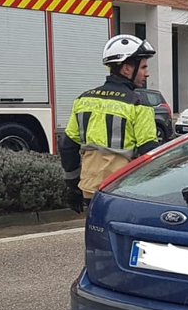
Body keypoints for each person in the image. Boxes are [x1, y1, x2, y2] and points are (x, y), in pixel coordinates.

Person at [60, 35, 161, 212]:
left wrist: (72, 185)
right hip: (124, 191)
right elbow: (149, 152)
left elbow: (67, 145)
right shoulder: (138, 104)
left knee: (97, 237)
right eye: (143, 67)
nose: (147, 73)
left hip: (91, 190)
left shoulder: (84, 99)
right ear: (127, 69)